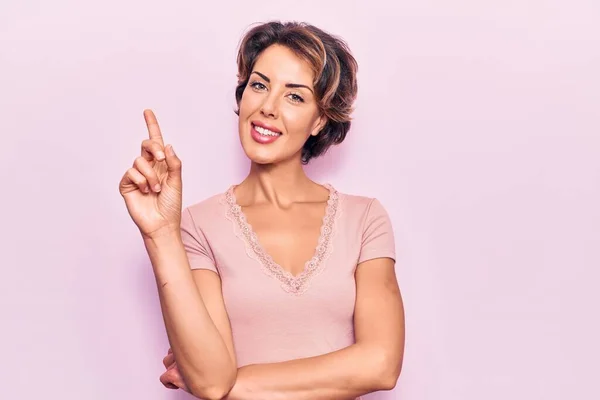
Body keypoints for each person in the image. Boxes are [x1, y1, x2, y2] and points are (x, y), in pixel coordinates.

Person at [119, 21, 405, 400]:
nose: (267, 108)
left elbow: (382, 364)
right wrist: (159, 234)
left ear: (320, 120)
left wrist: (231, 382)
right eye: (259, 85)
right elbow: (208, 379)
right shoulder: (197, 226)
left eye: (295, 97)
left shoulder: (365, 219)